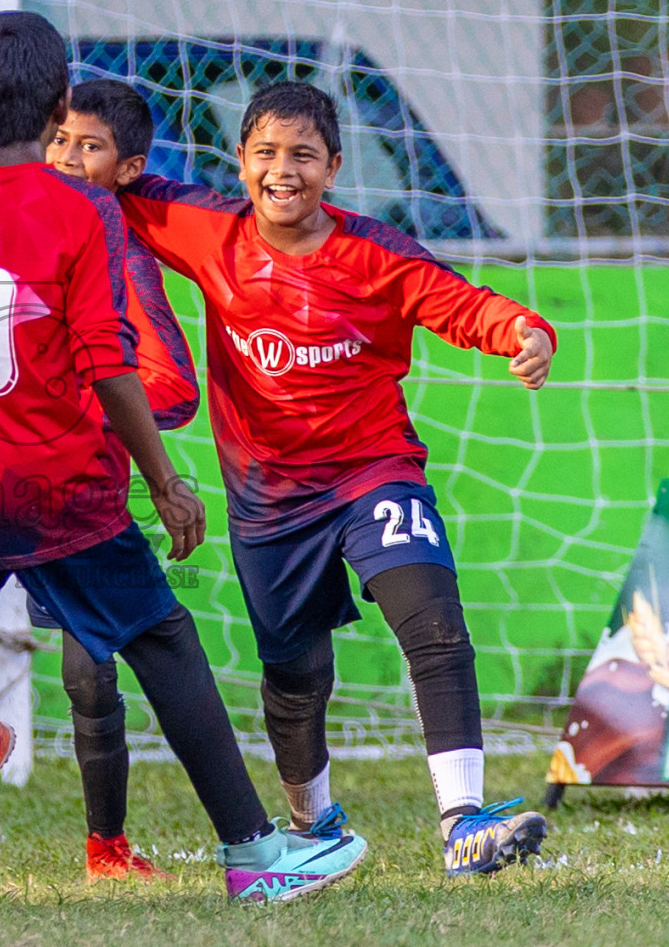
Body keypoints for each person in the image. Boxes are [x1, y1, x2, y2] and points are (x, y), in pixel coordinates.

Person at [0, 12, 367, 918]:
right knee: (161, 639)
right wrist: (163, 480)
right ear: (54, 108)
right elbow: (110, 364)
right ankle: (253, 855)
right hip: (58, 486)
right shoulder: (77, 210)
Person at [116, 80, 556, 876]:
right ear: (241, 163)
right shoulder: (208, 229)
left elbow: (465, 305)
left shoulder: (376, 254)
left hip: (371, 473)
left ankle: (463, 821)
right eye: (267, 154)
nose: (284, 171)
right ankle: (312, 822)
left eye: (304, 156)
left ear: (335, 168)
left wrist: (526, 332)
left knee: (434, 623)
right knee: (296, 675)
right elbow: (110, 184)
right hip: (268, 500)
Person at [0, 79, 199, 881]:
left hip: (76, 498)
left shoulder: (120, 255)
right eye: (59, 141)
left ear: (127, 169)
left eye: (90, 147)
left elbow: (174, 385)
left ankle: (106, 848)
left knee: (90, 668)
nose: (68, 158)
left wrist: (77, 406)